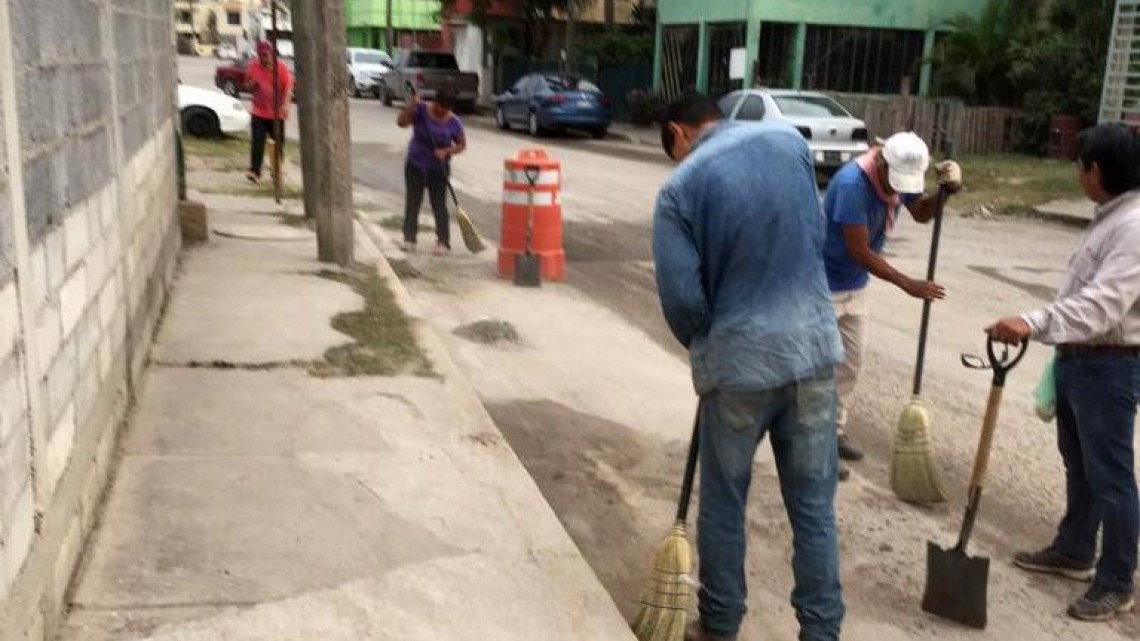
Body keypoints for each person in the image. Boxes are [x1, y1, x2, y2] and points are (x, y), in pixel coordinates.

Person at [653, 93, 845, 641]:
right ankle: (822, 630)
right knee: (813, 507)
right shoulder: (790, 144)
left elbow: (684, 303)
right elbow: (815, 237)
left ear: (679, 132)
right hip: (813, 355)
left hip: (738, 367)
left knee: (724, 499)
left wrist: (715, 341)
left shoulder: (679, 190)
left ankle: (719, 623)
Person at [986, 122, 1140, 622]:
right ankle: (1075, 549)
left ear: (1095, 170)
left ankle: (1117, 581)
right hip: (1081, 359)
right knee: (1081, 465)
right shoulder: (1109, 217)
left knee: (1112, 477)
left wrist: (1031, 322)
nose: (1077, 173)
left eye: (1081, 165)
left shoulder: (1133, 227)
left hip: (1110, 367)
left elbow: (1101, 307)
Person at [821, 134, 962, 475]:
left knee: (850, 364)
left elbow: (922, 214)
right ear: (881, 162)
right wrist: (907, 283)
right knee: (818, 368)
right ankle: (815, 450)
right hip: (823, 283)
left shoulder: (898, 171)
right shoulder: (852, 184)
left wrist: (945, 194)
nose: (898, 188)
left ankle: (834, 433)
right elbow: (859, 250)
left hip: (854, 285)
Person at [396, 85, 466, 255]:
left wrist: (446, 151)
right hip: (415, 163)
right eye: (439, 108)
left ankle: (443, 241)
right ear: (435, 101)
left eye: (446, 109)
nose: (441, 112)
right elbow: (401, 123)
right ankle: (409, 238)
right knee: (413, 201)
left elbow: (461, 145)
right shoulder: (420, 110)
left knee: (439, 204)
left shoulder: (454, 122)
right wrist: (410, 106)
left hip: (438, 168)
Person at [243, 41, 293, 184]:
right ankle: (255, 171)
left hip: (276, 114)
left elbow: (288, 88)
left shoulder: (281, 68)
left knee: (278, 143)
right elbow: (247, 85)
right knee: (257, 142)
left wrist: (286, 106)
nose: (265, 58)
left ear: (272, 54)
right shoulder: (254, 66)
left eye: (267, 55)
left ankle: (276, 170)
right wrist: (250, 85)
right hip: (259, 112)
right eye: (262, 55)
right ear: (259, 55)